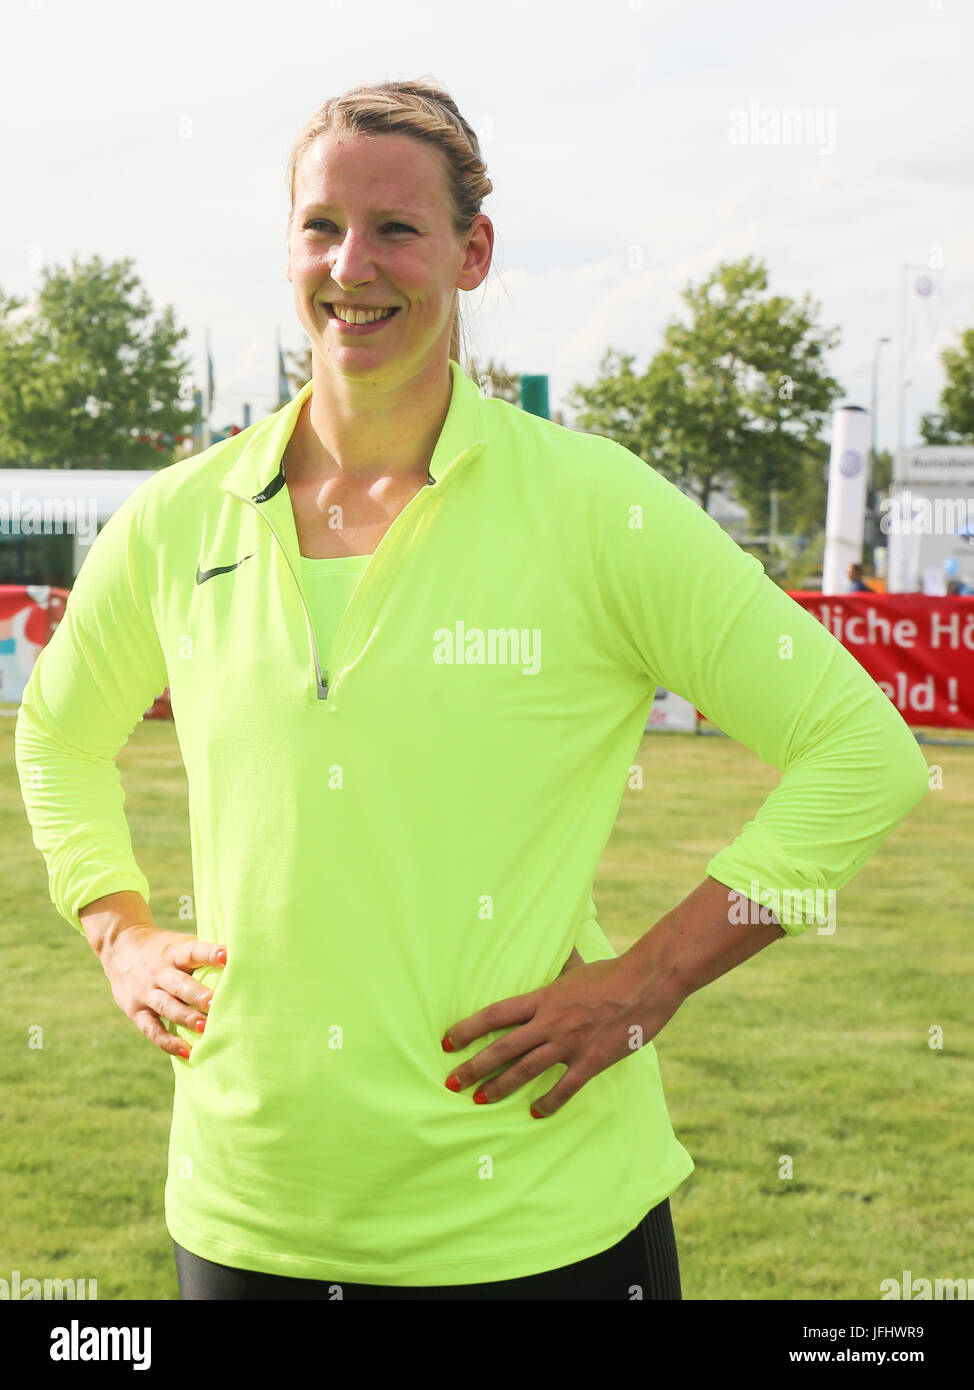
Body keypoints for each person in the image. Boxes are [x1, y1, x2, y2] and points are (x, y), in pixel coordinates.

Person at [14, 77, 930, 1302]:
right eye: (320, 226)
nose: (353, 264)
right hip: (248, 1220)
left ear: (472, 251)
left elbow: (859, 750)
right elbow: (60, 734)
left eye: (396, 228)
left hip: (538, 1223)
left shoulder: (595, 507)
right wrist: (116, 925)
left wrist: (648, 979)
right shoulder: (177, 517)